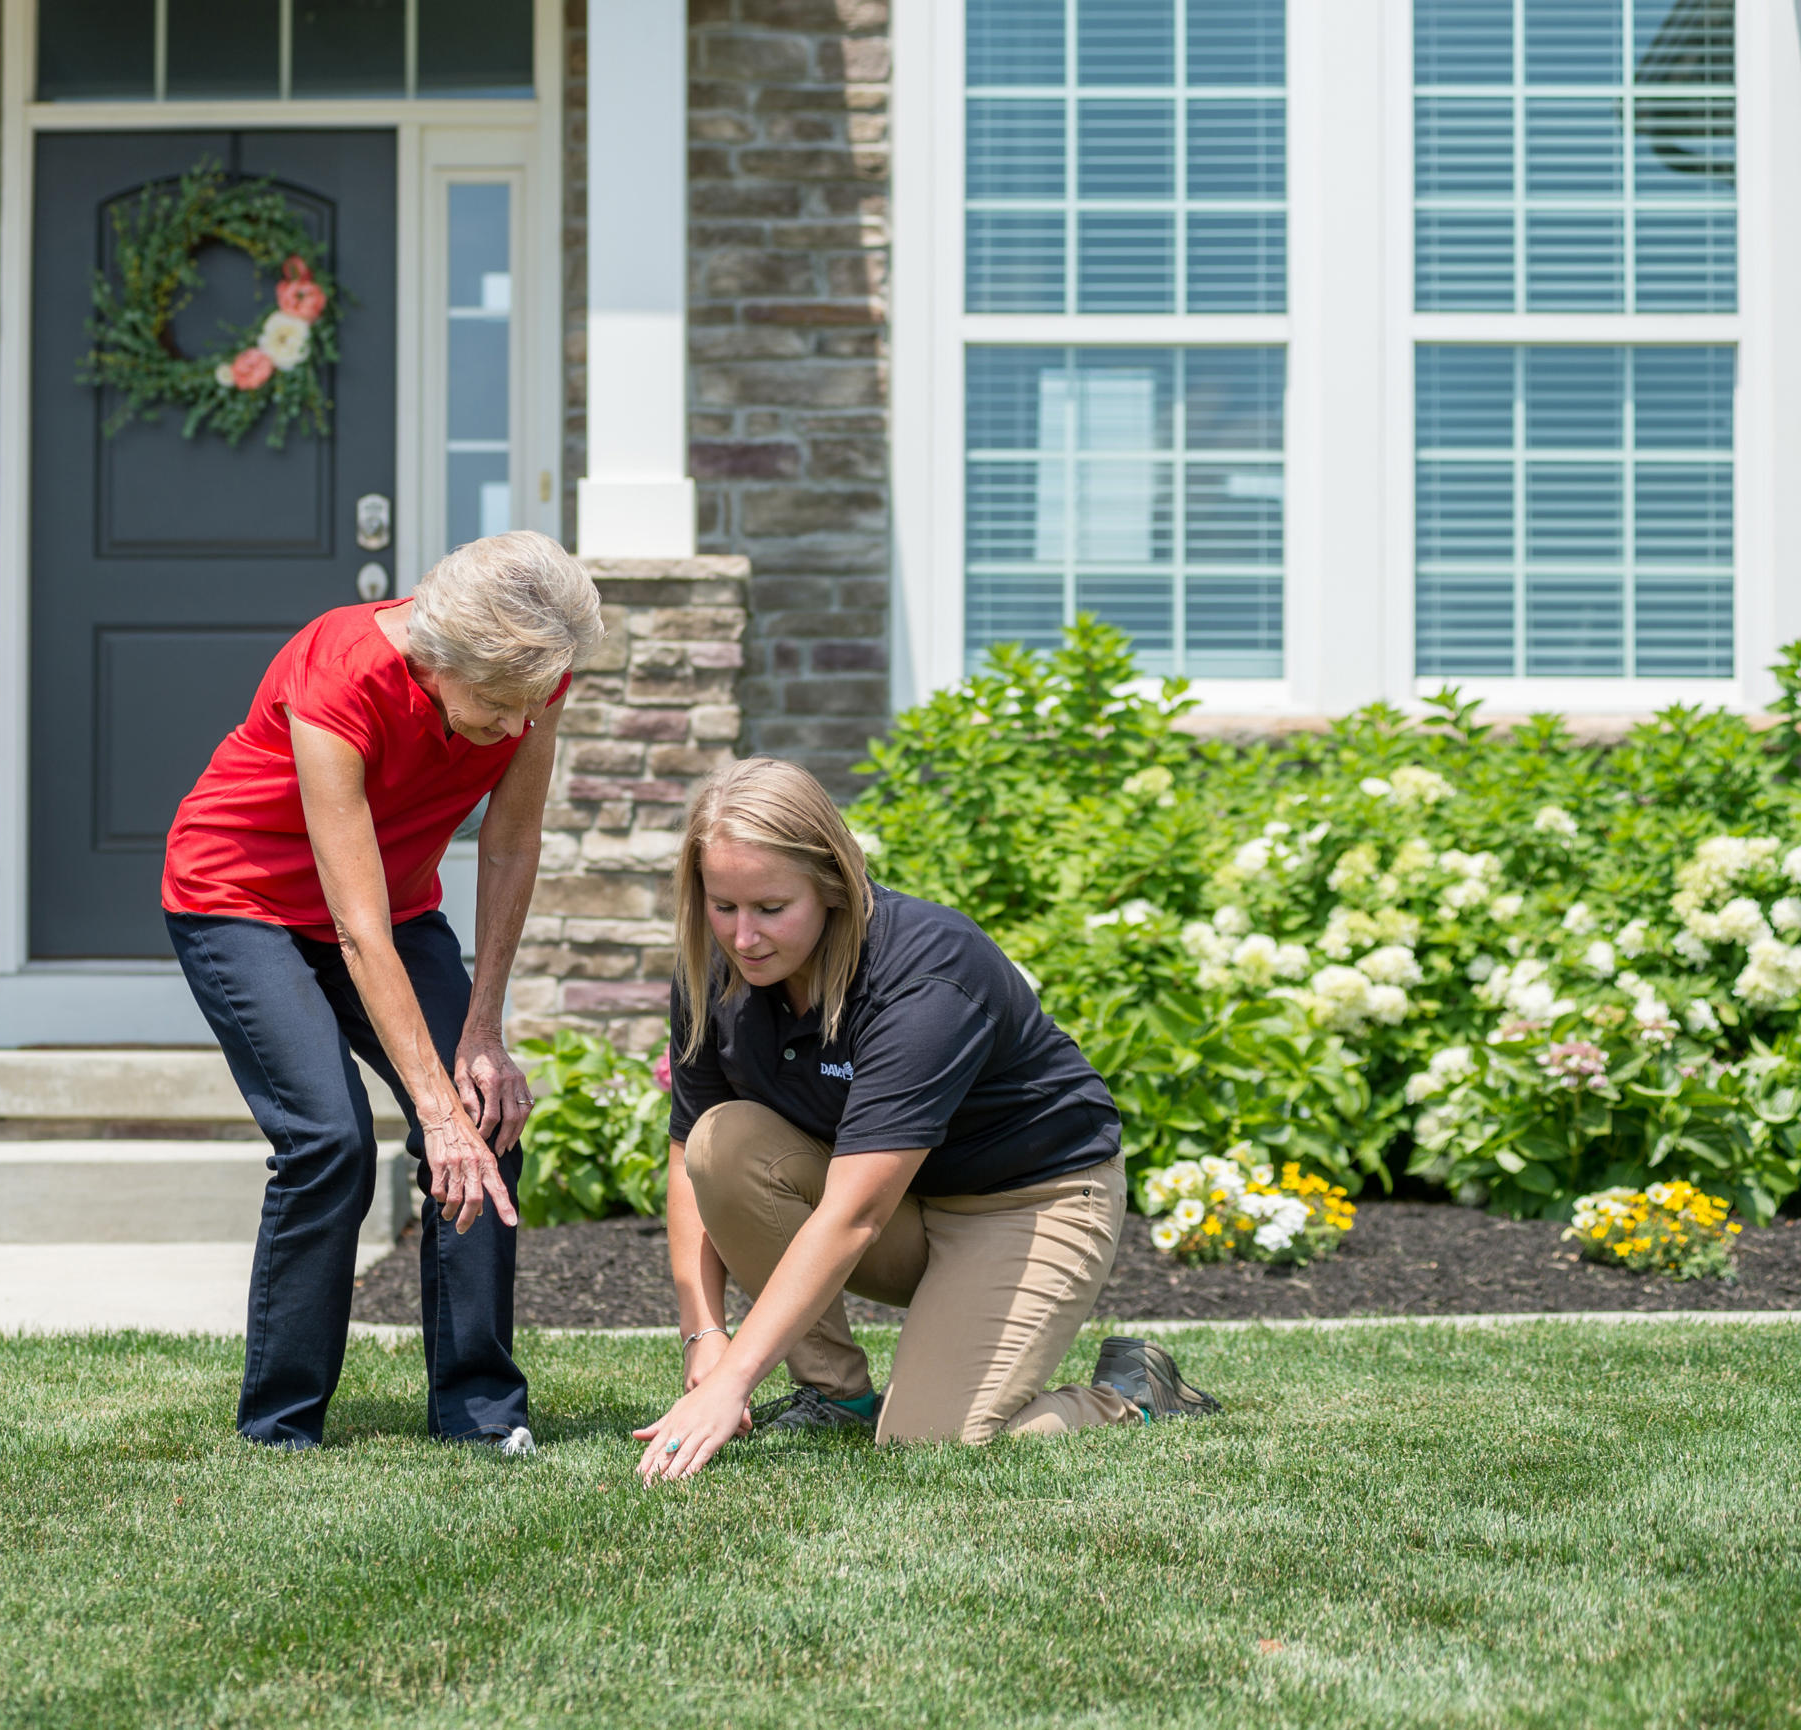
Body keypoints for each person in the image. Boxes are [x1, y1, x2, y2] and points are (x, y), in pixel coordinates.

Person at [633, 758, 1220, 1484]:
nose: (744, 937)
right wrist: (704, 1335)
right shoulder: (713, 966)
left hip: (1032, 1201)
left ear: (833, 885)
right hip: (905, 1200)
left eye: (771, 908)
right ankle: (833, 1395)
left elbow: (853, 1216)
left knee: (929, 1444)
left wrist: (733, 1386)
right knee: (726, 1141)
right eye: (724, 907)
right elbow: (691, 1145)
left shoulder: (926, 975)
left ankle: (1130, 1392)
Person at [163, 530, 603, 1453]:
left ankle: (481, 1413)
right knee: (329, 1138)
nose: (515, 729)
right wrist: (429, 1108)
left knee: (485, 1113)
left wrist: (481, 1033)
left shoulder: (530, 680)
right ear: (438, 660)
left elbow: (512, 842)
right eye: (493, 707)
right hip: (243, 901)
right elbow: (355, 930)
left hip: (392, 907)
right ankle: (280, 1424)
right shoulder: (342, 671)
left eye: (532, 707)